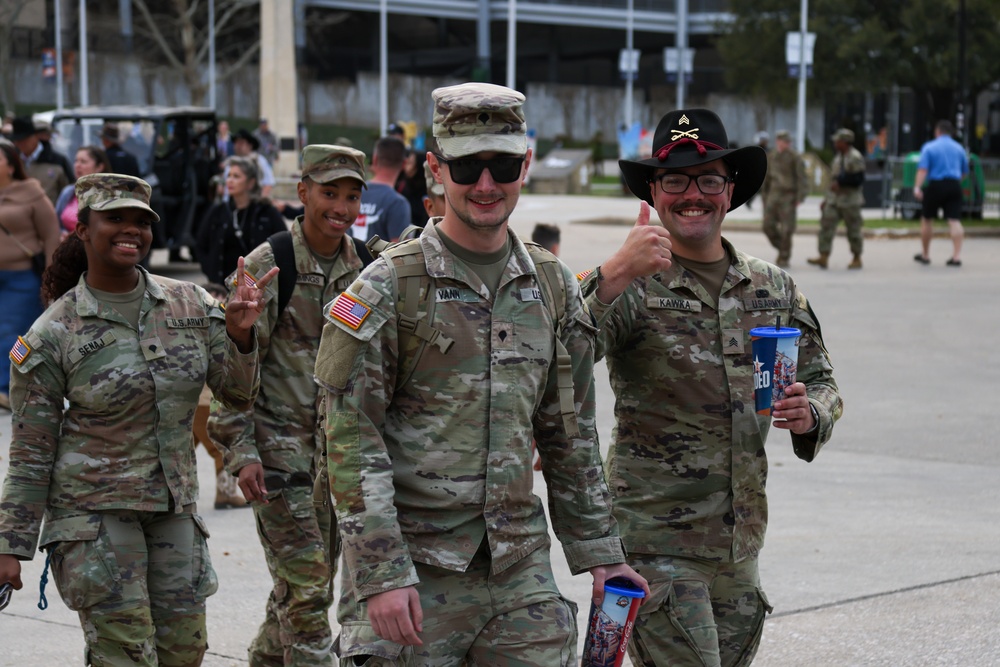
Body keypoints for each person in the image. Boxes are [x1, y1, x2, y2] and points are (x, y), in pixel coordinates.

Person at [316, 82, 647, 665]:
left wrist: (603, 553)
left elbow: (569, 435)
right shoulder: (386, 287)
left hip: (518, 575)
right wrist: (381, 573)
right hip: (414, 576)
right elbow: (349, 439)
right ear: (436, 169)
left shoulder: (551, 286)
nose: (486, 185)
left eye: (503, 165)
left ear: (526, 166)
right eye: (468, 166)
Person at [581, 107, 843, 667]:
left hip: (738, 542)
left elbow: (822, 379)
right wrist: (613, 274)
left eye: (707, 180)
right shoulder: (629, 281)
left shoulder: (771, 286)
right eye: (674, 181)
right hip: (654, 540)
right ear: (653, 192)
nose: (691, 195)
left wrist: (809, 411)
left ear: (730, 192)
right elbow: (559, 353)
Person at [0, 172, 276, 665]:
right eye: (115, 219)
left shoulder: (190, 304)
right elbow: (30, 450)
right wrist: (10, 546)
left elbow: (236, 393)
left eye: (141, 221)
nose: (132, 230)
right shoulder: (52, 333)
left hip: (174, 507)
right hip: (92, 517)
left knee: (184, 650)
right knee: (125, 655)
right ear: (83, 228)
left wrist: (239, 336)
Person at [209, 144, 370, 666]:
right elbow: (232, 366)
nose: (340, 208)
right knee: (306, 591)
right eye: (329, 194)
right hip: (279, 458)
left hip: (340, 462)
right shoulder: (269, 264)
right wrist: (240, 452)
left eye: (351, 196)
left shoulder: (369, 265)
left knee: (304, 583)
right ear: (303, 193)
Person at [0, 140, 61, 411]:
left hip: (21, 279)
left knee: (10, 333)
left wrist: (52, 278)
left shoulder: (31, 192)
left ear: (11, 166)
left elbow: (50, 236)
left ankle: (5, 387)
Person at [192, 281, 249, 510]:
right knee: (219, 450)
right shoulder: (213, 326)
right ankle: (226, 494)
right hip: (204, 400)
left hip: (194, 400)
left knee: (183, 448)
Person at [196, 155, 286, 285]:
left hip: (257, 289)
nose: (230, 181)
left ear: (250, 183)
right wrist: (211, 272)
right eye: (229, 176)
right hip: (222, 287)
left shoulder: (266, 212)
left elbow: (283, 246)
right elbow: (201, 244)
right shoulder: (218, 211)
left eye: (236, 176)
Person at [913, 119, 969, 267]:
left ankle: (925, 255)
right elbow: (964, 172)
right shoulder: (959, 148)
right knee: (954, 221)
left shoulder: (929, 147)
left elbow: (923, 169)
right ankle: (956, 256)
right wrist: (956, 183)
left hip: (935, 185)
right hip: (954, 184)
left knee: (927, 219)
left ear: (937, 132)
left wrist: (917, 187)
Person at [808, 128, 865, 270]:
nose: (835, 144)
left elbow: (858, 179)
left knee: (853, 230)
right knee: (826, 227)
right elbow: (833, 181)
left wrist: (841, 182)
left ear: (845, 142)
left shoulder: (855, 157)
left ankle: (856, 257)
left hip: (850, 201)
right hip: (834, 200)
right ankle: (823, 256)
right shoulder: (838, 157)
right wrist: (826, 200)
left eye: (837, 141)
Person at [760, 129, 808, 267]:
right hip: (773, 195)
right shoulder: (772, 156)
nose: (783, 144)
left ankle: (784, 256)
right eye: (780, 141)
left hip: (788, 196)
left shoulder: (794, 157)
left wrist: (800, 196)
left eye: (785, 141)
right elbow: (767, 178)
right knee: (767, 226)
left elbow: (801, 178)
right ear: (777, 142)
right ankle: (783, 248)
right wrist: (764, 197)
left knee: (787, 229)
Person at [353, 136, 411, 243]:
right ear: (404, 164)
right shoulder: (397, 203)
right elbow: (399, 251)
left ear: (375, 159)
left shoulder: (354, 192)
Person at [10, 116, 73, 204]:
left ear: (35, 137)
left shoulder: (57, 161)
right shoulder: (11, 161)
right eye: (17, 140)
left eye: (24, 139)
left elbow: (69, 192)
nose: (20, 143)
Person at [55, 145, 110, 234]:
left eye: (83, 162)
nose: (77, 165)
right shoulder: (68, 192)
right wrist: (62, 234)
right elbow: (55, 223)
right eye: (76, 161)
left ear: (99, 167)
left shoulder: (108, 195)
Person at [228, 128, 276, 200]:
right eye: (236, 143)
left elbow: (268, 184)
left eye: (241, 143)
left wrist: (260, 203)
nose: (238, 146)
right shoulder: (232, 162)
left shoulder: (259, 161)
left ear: (250, 145)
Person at [744, 131, 769, 210]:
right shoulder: (755, 150)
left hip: (766, 173)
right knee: (757, 189)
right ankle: (748, 202)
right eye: (763, 140)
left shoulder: (768, 150)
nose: (764, 142)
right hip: (757, 173)